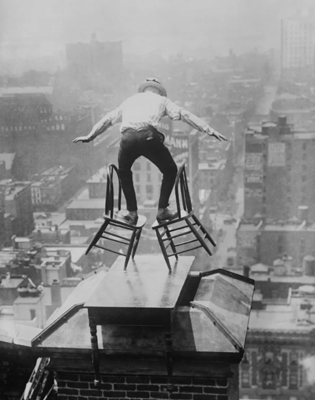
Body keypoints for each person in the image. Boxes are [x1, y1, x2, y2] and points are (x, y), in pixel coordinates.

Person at [73, 78, 227, 225]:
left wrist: (90, 136)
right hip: (147, 137)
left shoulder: (130, 101)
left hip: (127, 139)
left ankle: (132, 214)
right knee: (170, 170)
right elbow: (184, 115)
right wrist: (209, 130)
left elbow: (107, 119)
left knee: (124, 173)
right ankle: (162, 211)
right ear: (159, 91)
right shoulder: (162, 101)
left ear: (144, 90)